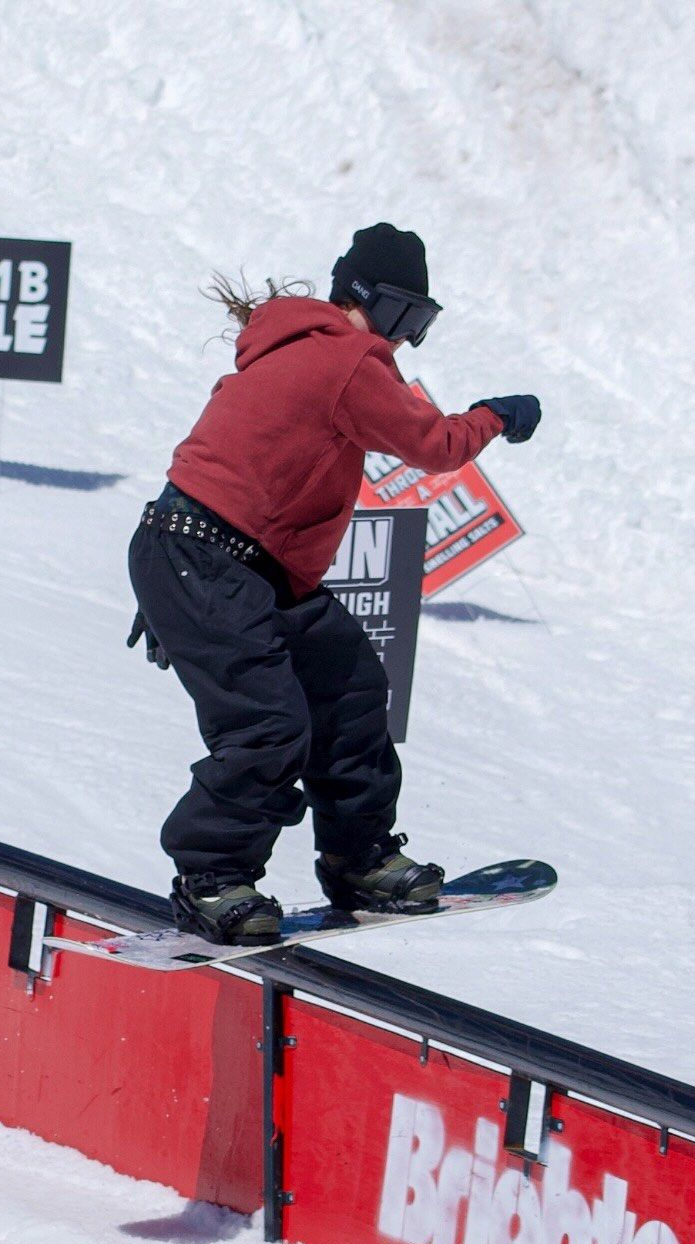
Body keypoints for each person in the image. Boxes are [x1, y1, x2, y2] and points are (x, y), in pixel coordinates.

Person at [125, 223, 542, 943]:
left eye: (422, 323)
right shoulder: (346, 360)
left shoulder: (299, 346)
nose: (407, 341)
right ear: (366, 299)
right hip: (207, 559)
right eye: (406, 319)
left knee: (349, 685)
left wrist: (173, 589)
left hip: (225, 562)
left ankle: (359, 856)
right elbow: (434, 445)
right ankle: (212, 878)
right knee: (268, 723)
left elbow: (228, 462)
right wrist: (496, 417)